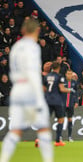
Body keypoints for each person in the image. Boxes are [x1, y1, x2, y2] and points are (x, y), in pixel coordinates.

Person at [0, 19, 53, 162]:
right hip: (30, 89)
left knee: (15, 131)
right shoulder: (32, 47)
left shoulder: (16, 47)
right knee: (43, 129)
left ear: (22, 31)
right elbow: (30, 70)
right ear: (37, 31)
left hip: (17, 89)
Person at [43, 61, 75, 146]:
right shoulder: (59, 76)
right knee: (61, 119)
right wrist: (70, 90)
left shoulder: (46, 76)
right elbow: (62, 89)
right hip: (57, 101)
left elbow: (43, 89)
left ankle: (40, 139)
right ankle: (58, 140)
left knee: (45, 120)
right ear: (59, 68)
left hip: (48, 100)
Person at [62, 69, 78, 142]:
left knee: (70, 120)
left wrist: (76, 102)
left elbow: (76, 93)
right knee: (61, 120)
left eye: (70, 74)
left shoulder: (74, 83)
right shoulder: (62, 82)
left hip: (71, 104)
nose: (69, 75)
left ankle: (69, 137)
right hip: (63, 104)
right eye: (68, 74)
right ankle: (60, 136)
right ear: (66, 74)